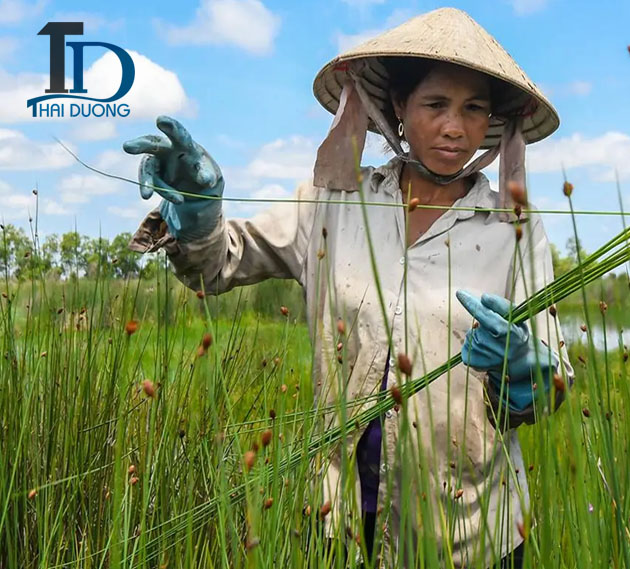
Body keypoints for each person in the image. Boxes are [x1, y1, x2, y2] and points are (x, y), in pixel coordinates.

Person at [124, 8, 573, 568]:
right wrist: (197, 215)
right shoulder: (332, 203)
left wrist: (524, 373)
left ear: (492, 122)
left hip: (469, 530)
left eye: (473, 109)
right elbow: (218, 265)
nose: (455, 127)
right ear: (399, 108)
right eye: (435, 104)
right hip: (339, 517)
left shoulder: (514, 229)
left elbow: (551, 375)